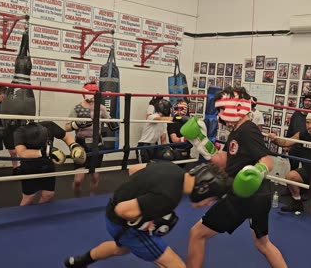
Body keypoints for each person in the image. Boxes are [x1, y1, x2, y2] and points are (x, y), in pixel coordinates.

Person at [181, 86, 288, 268]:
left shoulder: (248, 130)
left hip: (243, 197)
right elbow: (223, 161)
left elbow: (266, 161)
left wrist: (255, 172)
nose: (220, 114)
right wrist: (200, 142)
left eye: (222, 108)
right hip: (260, 197)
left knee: (197, 234)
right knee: (263, 244)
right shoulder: (237, 131)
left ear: (237, 105)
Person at [63, 161, 231, 268]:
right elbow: (122, 210)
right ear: (203, 189)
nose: (209, 204)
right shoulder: (168, 197)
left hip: (111, 211)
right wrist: (146, 222)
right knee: (175, 265)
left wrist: (140, 192)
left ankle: (82, 261)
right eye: (212, 199)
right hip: (123, 225)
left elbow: (133, 169)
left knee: (120, 249)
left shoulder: (171, 167)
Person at [14, 121, 86, 206]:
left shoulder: (49, 125)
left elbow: (66, 137)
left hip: (47, 165)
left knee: (48, 194)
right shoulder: (20, 131)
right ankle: (21, 216)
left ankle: (38, 213)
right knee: (29, 197)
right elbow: (22, 152)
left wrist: (73, 145)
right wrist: (45, 153)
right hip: (29, 166)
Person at [65, 82, 117, 197]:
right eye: (91, 93)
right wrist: (77, 124)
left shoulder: (101, 108)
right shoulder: (77, 108)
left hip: (96, 143)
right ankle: (77, 197)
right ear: (84, 93)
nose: (93, 95)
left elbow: (110, 121)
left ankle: (92, 197)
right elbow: (66, 127)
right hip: (81, 143)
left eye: (95, 93)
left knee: (94, 176)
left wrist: (113, 124)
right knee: (78, 180)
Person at [137, 98, 173, 163]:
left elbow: (163, 139)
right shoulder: (153, 116)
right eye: (169, 108)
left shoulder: (164, 122)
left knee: (153, 167)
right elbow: (158, 119)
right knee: (143, 168)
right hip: (144, 145)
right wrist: (174, 118)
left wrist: (166, 149)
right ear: (165, 108)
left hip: (155, 146)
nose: (171, 110)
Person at [286, 95, 311, 171]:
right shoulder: (296, 114)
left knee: (306, 170)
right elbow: (290, 128)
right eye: (306, 100)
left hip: (307, 147)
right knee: (293, 168)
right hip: (295, 146)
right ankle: (290, 183)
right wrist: (286, 143)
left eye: (309, 101)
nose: (307, 102)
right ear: (303, 102)